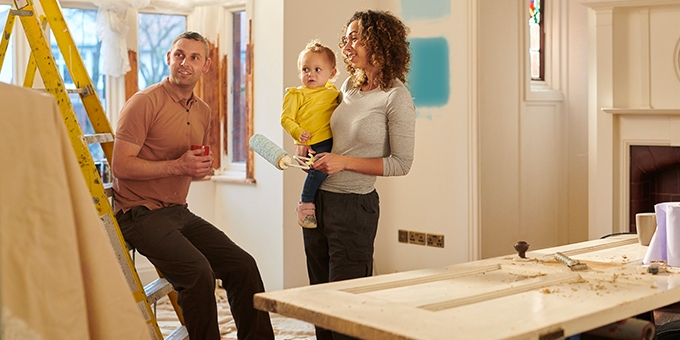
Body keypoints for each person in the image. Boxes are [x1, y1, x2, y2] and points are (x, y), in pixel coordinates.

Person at [111, 31, 274, 340]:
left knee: (243, 265)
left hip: (178, 213)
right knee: (199, 273)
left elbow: (187, 164)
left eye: (194, 57)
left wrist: (197, 169)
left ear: (206, 65)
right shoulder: (143, 103)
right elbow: (120, 166)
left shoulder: (203, 110)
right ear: (168, 58)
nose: (185, 63)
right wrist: (178, 166)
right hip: (138, 215)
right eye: (179, 55)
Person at [296, 10, 416, 340]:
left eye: (356, 38)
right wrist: (305, 146)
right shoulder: (349, 85)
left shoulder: (396, 98)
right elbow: (333, 139)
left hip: (354, 210)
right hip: (319, 202)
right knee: (320, 300)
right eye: (346, 38)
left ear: (380, 42)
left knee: (348, 306)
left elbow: (401, 163)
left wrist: (343, 163)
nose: (347, 45)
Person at [281, 39, 342, 229]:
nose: (311, 74)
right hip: (315, 143)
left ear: (331, 74)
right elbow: (286, 119)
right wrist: (299, 134)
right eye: (306, 69)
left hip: (334, 141)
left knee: (326, 173)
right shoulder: (296, 94)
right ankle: (305, 204)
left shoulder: (333, 92)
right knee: (317, 172)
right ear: (299, 72)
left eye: (317, 69)